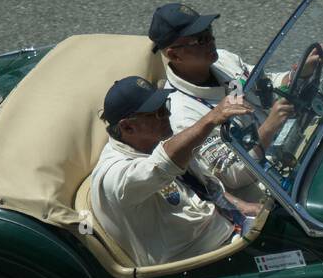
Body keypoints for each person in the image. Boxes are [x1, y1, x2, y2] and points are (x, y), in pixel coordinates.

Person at [148, 3, 323, 201]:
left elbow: (266, 85)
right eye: (201, 39)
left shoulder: (223, 59)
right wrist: (268, 128)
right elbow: (232, 174)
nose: (211, 41)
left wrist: (298, 74)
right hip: (268, 186)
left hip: (293, 144)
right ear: (174, 55)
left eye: (209, 32)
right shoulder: (182, 115)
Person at [88, 76, 258, 267]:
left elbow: (205, 188)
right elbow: (162, 164)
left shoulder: (156, 142)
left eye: (165, 107)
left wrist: (243, 208)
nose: (167, 115)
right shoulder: (116, 176)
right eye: (158, 113)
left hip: (232, 232)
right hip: (200, 265)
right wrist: (211, 118)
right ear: (128, 126)